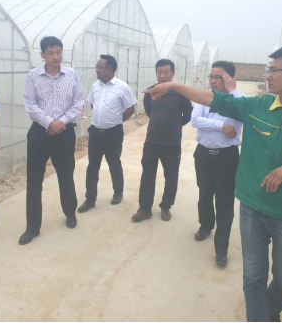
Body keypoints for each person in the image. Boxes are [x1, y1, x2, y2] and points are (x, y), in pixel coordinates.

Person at [143, 46, 282, 323]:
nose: (267, 75)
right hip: (251, 206)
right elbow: (213, 99)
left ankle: (269, 310)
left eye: (273, 70)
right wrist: (172, 86)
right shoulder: (258, 107)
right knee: (253, 277)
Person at [20, 36, 84, 245]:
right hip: (40, 133)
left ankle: (70, 213)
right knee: (34, 180)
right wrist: (49, 122)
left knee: (66, 176)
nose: (56, 57)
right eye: (51, 53)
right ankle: (32, 227)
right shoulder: (33, 76)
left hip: (64, 133)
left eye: (59, 52)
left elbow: (78, 103)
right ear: (42, 55)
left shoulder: (72, 75)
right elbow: (30, 104)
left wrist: (61, 122)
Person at [191, 61, 247, 268]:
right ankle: (205, 225)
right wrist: (221, 125)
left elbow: (244, 114)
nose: (213, 81)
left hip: (227, 157)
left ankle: (221, 249)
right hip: (204, 154)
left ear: (229, 78)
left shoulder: (238, 100)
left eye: (219, 77)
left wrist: (232, 91)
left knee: (224, 201)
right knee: (204, 193)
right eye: (211, 76)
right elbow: (195, 120)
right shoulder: (204, 97)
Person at [131, 59, 193, 223]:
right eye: (160, 72)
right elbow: (149, 111)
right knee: (147, 175)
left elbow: (188, 114)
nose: (163, 76)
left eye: (166, 72)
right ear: (156, 73)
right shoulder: (151, 91)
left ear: (173, 73)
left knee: (171, 177)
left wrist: (175, 125)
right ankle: (145, 209)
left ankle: (166, 206)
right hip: (152, 141)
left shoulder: (180, 93)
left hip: (172, 144)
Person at [78, 55, 137, 213]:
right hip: (96, 133)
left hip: (113, 133)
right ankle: (90, 199)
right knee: (92, 166)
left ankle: (118, 192)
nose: (96, 70)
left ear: (109, 69)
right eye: (96, 66)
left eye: (99, 67)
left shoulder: (122, 87)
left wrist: (116, 120)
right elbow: (93, 104)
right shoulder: (95, 86)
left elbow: (131, 108)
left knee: (114, 163)